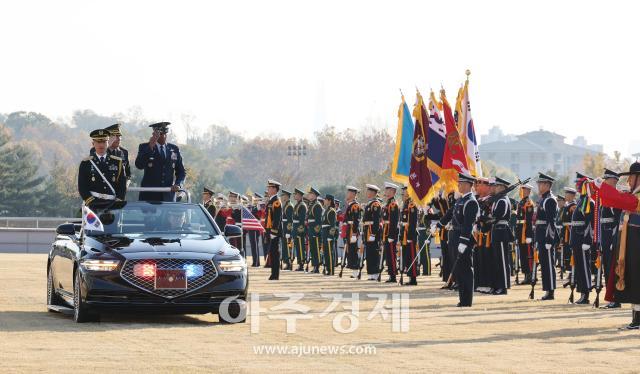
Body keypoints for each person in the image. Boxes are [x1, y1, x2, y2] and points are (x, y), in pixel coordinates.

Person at [589, 161, 640, 329]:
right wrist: (600, 189)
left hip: (636, 243)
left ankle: (638, 320)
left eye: (631, 177)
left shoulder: (638, 195)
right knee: (632, 278)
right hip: (632, 242)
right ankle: (636, 319)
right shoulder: (635, 193)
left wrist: (602, 187)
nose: (629, 181)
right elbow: (615, 201)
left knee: (636, 279)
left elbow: (622, 201)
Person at [434, 173, 479, 306]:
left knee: (465, 269)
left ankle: (467, 300)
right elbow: (449, 214)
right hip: (454, 237)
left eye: (460, 183)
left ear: (467, 185)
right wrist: (439, 225)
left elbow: (468, 224)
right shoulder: (460, 200)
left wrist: (464, 241)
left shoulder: (471, 202)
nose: (458, 185)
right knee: (459, 270)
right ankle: (462, 298)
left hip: (462, 238)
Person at [134, 122, 185, 202]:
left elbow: (181, 172)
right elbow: (139, 165)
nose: (162, 136)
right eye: (158, 134)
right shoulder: (144, 147)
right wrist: (150, 147)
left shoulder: (174, 149)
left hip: (168, 196)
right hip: (149, 196)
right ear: (153, 134)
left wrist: (178, 184)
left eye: (164, 133)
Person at [78, 129, 127, 210]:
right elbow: (82, 187)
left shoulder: (117, 162)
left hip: (113, 205)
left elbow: (122, 185)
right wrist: (91, 202)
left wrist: (118, 202)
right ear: (93, 144)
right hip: (93, 205)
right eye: (98, 142)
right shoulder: (86, 163)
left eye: (104, 142)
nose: (101, 145)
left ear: (108, 143)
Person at [571, 172, 595, 304]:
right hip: (576, 238)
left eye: (578, 183)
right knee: (579, 266)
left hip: (582, 239)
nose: (576, 186)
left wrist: (587, 240)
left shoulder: (588, 202)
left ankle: (585, 294)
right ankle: (581, 292)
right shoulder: (581, 201)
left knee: (584, 267)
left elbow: (589, 224)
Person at [599, 168, 622, 309]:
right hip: (605, 239)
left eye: (607, 180)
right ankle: (610, 298)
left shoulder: (615, 198)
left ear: (613, 181)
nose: (605, 182)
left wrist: (615, 240)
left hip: (611, 239)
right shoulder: (606, 198)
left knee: (612, 269)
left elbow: (617, 222)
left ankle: (615, 298)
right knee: (607, 269)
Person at [535, 172, 559, 300]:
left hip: (546, 236)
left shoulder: (549, 200)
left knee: (548, 264)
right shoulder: (543, 199)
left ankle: (550, 291)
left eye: (541, 184)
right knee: (544, 263)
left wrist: (549, 238)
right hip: (541, 235)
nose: (538, 186)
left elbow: (551, 221)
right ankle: (547, 289)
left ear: (547, 185)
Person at [490, 176, 513, 295]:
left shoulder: (503, 200)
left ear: (503, 188)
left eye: (498, 186)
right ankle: (498, 285)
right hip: (496, 231)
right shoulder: (498, 200)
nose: (496, 188)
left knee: (503, 261)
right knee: (497, 260)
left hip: (501, 230)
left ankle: (503, 286)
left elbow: (496, 216)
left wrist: (486, 219)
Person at [515, 183, 535, 284]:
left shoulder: (528, 203)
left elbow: (529, 220)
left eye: (524, 190)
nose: (522, 191)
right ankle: (526, 274)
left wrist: (528, 235)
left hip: (525, 232)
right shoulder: (521, 202)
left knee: (528, 254)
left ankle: (530, 275)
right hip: (520, 231)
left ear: (528, 192)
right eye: (522, 189)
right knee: (522, 254)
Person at [362, 184, 382, 280]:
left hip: (372, 231)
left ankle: (375, 272)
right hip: (367, 230)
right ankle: (371, 273)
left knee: (374, 252)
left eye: (368, 191)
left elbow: (376, 220)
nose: (367, 193)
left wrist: (373, 233)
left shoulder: (375, 204)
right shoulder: (370, 204)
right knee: (369, 253)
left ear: (373, 193)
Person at [399, 185, 418, 286]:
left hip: (410, 235)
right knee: (407, 256)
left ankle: (413, 278)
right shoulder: (405, 204)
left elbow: (413, 223)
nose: (403, 194)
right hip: (405, 235)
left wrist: (410, 237)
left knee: (411, 256)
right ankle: (410, 277)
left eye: (404, 192)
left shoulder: (412, 205)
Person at [382, 182, 400, 283]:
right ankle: (390, 274)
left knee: (391, 255)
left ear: (392, 192)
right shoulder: (388, 203)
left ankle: (393, 276)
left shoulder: (393, 204)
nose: (385, 192)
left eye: (387, 190)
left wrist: (392, 235)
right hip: (386, 232)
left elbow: (394, 221)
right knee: (388, 255)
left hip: (390, 233)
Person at [265, 180, 282, 280]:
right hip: (270, 231)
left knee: (275, 253)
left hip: (274, 232)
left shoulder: (276, 202)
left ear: (275, 189)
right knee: (272, 253)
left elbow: (277, 218)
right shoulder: (271, 200)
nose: (268, 189)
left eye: (270, 188)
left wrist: (274, 232)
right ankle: (273, 273)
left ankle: (275, 274)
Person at [561, 187, 578, 284]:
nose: (565, 196)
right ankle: (571, 271)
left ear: (572, 195)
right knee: (567, 252)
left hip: (570, 231)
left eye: (567, 194)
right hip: (566, 231)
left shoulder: (573, 206)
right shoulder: (567, 205)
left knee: (571, 252)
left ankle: (573, 271)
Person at [344, 186, 362, 278]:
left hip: (352, 230)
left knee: (353, 250)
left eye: (349, 193)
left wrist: (354, 233)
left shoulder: (355, 205)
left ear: (353, 194)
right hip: (349, 229)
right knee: (350, 250)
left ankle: (355, 270)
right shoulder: (350, 205)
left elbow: (356, 220)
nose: (347, 194)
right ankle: (353, 270)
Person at [307, 187, 323, 273]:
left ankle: (317, 266)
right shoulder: (311, 204)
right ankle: (314, 266)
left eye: (310, 194)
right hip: (311, 228)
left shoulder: (317, 205)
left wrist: (316, 232)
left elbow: (318, 221)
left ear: (314, 195)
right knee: (313, 249)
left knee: (316, 248)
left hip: (315, 230)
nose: (309, 195)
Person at [292, 188, 308, 271]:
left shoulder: (302, 205)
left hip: (299, 229)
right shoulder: (297, 205)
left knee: (301, 247)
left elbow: (302, 220)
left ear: (300, 196)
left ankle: (301, 264)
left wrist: (299, 230)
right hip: (295, 228)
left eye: (296, 194)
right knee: (298, 248)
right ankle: (299, 263)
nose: (294, 195)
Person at [321, 194, 337, 275]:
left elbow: (333, 225)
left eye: (325, 199)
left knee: (329, 253)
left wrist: (330, 235)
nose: (324, 201)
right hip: (324, 233)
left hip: (328, 233)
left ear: (329, 201)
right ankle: (327, 268)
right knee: (326, 252)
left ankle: (330, 269)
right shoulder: (326, 210)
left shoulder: (331, 211)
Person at [280, 189, 294, 270]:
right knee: (285, 247)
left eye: (283, 196)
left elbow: (290, 220)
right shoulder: (285, 205)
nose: (282, 197)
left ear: (287, 197)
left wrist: (288, 231)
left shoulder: (289, 206)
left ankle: (289, 262)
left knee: (289, 247)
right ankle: (286, 261)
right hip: (284, 229)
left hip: (287, 229)